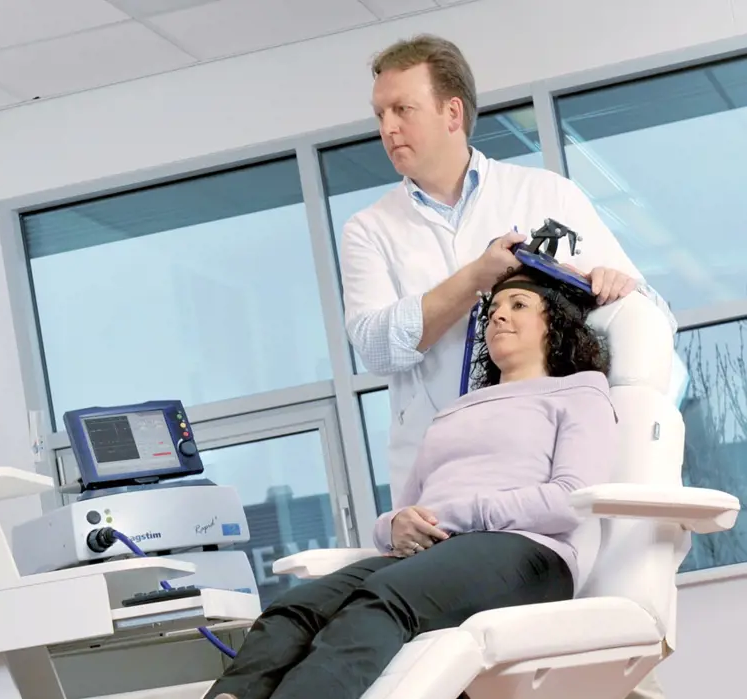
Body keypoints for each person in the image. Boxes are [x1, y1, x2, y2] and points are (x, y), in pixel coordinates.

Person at [338, 34, 675, 699]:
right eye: (380, 115)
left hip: (541, 479)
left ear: (453, 113)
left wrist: (616, 282)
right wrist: (475, 277)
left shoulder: (543, 193)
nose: (387, 128)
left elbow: (648, 314)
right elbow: (375, 345)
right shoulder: (369, 230)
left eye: (402, 109)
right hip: (443, 486)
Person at [204, 266, 616, 699]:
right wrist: (397, 525)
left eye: (518, 306)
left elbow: (571, 499)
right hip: (438, 552)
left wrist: (459, 515)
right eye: (493, 309)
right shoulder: (452, 414)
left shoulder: (580, 394)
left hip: (528, 552)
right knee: (296, 607)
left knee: (383, 598)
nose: (498, 317)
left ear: (556, 322)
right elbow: (401, 515)